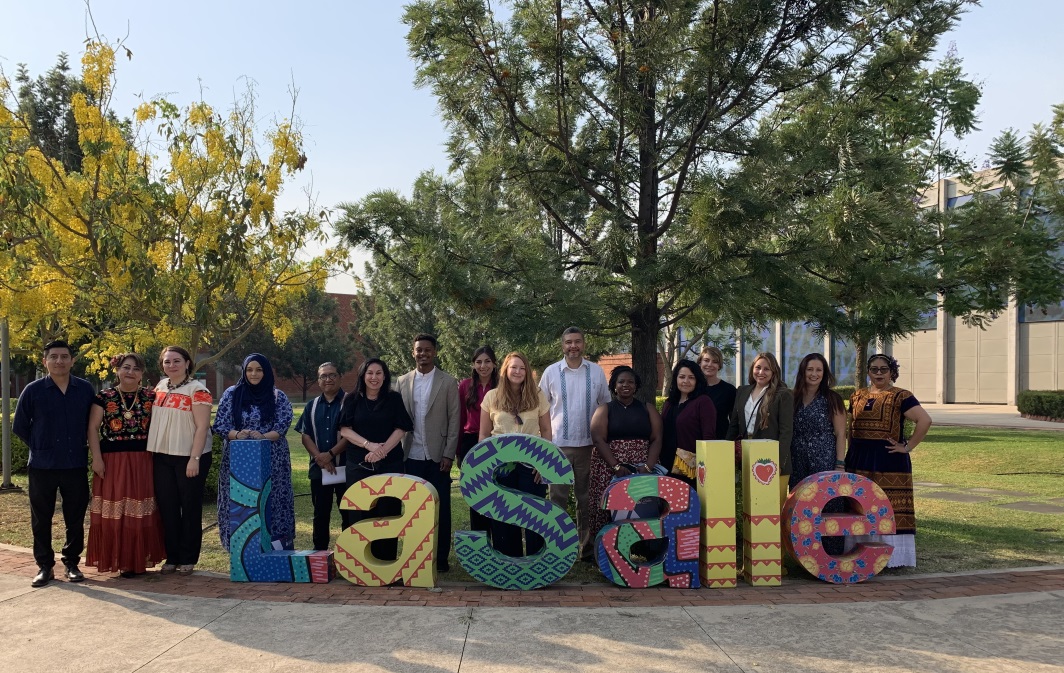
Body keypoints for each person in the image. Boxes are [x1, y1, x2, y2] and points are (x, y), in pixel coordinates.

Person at [14, 339, 95, 588]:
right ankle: (45, 566)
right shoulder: (33, 390)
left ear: (72, 360)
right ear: (45, 361)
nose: (59, 361)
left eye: (64, 356)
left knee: (75, 516)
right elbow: (20, 426)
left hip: (74, 464)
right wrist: (41, 447)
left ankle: (71, 563)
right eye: (54, 357)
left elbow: (92, 425)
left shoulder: (84, 389)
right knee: (41, 518)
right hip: (42, 466)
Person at [845, 353, 932, 568]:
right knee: (860, 507)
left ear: (892, 372)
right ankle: (859, 552)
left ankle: (891, 559)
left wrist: (908, 446)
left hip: (889, 461)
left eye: (883, 369)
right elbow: (850, 428)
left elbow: (925, 420)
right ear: (868, 372)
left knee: (889, 508)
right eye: (874, 369)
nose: (879, 373)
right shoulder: (857, 396)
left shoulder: (901, 396)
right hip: (858, 460)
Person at [86, 353, 165, 577]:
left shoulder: (152, 397)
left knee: (139, 509)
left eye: (136, 369)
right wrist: (97, 458)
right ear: (117, 370)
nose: (130, 372)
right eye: (126, 367)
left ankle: (136, 560)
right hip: (112, 461)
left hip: (143, 461)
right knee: (116, 508)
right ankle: (118, 559)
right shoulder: (103, 397)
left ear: (141, 374)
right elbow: (92, 428)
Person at [539, 327, 611, 562]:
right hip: (557, 446)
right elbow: (541, 410)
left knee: (586, 499)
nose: (573, 346)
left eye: (577, 342)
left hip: (589, 446)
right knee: (556, 499)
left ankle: (586, 549)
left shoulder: (596, 372)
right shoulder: (550, 372)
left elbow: (606, 406)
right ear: (562, 346)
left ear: (584, 344)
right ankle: (557, 549)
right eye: (569, 342)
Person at [213, 353, 295, 552]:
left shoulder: (277, 396)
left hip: (272, 459)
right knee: (240, 502)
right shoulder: (232, 394)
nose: (254, 374)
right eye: (249, 369)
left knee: (273, 500)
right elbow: (221, 425)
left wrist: (263, 436)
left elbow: (282, 426)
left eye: (259, 370)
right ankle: (241, 549)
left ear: (266, 372)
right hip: (237, 459)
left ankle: (276, 547)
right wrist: (238, 434)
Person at [336, 358, 413, 561]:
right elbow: (345, 429)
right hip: (358, 465)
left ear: (385, 376)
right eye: (370, 373)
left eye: (379, 373)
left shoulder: (393, 399)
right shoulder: (351, 399)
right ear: (363, 375)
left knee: (388, 512)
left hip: (390, 463)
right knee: (360, 514)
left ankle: (386, 561)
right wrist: (369, 445)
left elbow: (402, 428)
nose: (374, 377)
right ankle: (360, 563)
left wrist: (382, 450)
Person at [146, 346, 213, 576]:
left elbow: (203, 426)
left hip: (190, 457)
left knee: (190, 507)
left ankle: (188, 557)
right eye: (167, 362)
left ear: (187, 363)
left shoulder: (198, 390)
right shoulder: (160, 387)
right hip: (163, 456)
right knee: (168, 508)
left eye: (176, 361)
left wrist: (194, 458)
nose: (171, 365)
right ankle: (172, 556)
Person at [397, 334, 461, 573]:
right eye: (418, 350)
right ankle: (416, 557)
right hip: (410, 455)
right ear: (413, 352)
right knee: (414, 509)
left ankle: (441, 558)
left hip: (437, 457)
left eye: (427, 350)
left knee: (441, 508)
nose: (422, 354)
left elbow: (455, 420)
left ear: (434, 352)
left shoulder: (447, 382)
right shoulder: (402, 381)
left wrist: (448, 454)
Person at [480, 351, 553, 557]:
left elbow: (546, 431)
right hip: (500, 466)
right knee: (503, 515)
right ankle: (508, 561)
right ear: (505, 370)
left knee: (534, 515)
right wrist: (484, 466)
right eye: (513, 367)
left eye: (522, 368)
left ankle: (535, 563)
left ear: (528, 372)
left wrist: (544, 464)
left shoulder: (538, 396)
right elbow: (484, 434)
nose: (518, 371)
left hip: (531, 466)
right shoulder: (491, 397)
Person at [588, 365, 663, 536]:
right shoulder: (605, 409)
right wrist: (616, 466)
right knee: (611, 506)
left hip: (643, 466)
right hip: (610, 466)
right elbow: (598, 439)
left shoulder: (647, 408)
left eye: (630, 382)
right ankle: (607, 547)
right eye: (621, 381)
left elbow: (657, 438)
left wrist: (648, 467)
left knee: (643, 505)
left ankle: (646, 544)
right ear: (614, 385)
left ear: (636, 386)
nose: (625, 385)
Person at [294, 362, 349, 551]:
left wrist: (331, 454)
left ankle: (350, 555)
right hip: (320, 470)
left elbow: (352, 434)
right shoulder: (312, 405)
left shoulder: (351, 402)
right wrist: (321, 458)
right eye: (323, 376)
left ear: (340, 377)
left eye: (332, 375)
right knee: (320, 514)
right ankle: (319, 555)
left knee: (349, 514)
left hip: (347, 469)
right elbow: (305, 435)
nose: (328, 379)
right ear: (318, 381)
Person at [727, 352, 794, 494]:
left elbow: (786, 432)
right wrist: (726, 453)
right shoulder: (742, 391)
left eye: (766, 369)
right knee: (749, 506)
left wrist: (779, 463)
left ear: (774, 372)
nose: (761, 372)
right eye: (758, 367)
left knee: (771, 508)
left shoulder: (783, 394)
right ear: (752, 369)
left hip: (771, 461)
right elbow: (733, 425)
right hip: (745, 457)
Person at [456, 345, 498, 539]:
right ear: (473, 365)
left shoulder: (502, 386)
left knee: (496, 492)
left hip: (496, 442)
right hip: (471, 442)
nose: (483, 366)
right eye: (479, 362)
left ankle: (498, 539)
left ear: (494, 363)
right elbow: (459, 419)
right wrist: (458, 451)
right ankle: (480, 541)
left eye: (487, 361)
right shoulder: (465, 386)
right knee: (476, 494)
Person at [790, 353, 847, 489]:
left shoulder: (833, 399)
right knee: (800, 503)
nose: (814, 374)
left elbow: (841, 433)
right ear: (803, 371)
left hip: (824, 460)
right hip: (797, 460)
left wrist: (840, 464)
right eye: (809, 369)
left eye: (818, 370)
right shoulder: (792, 398)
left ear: (824, 373)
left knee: (825, 501)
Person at [660, 360, 717, 485]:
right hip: (665, 465)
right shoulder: (669, 403)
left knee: (688, 502)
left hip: (689, 468)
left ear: (697, 381)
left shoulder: (703, 402)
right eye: (682, 377)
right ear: (676, 379)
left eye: (691, 377)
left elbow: (709, 437)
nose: (686, 381)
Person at [698, 346, 737, 441]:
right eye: (706, 360)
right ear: (700, 362)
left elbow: (735, 422)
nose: (710, 364)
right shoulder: (693, 389)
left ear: (719, 366)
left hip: (720, 442)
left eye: (715, 362)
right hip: (693, 442)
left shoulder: (729, 390)